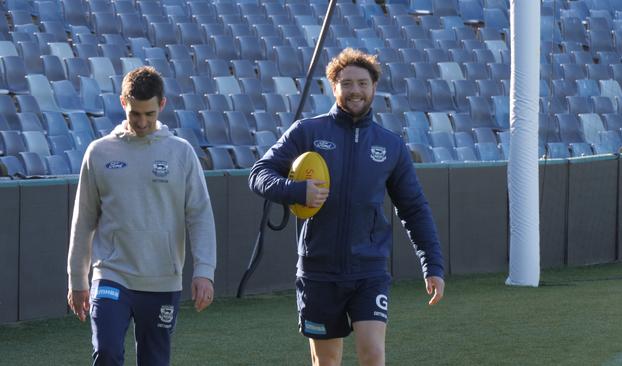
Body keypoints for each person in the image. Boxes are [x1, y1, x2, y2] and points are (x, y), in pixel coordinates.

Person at [248, 48, 445, 366]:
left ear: (374, 87)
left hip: (369, 270)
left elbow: (414, 208)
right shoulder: (307, 132)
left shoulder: (390, 145)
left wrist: (432, 265)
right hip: (318, 271)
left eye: (363, 83)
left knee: (373, 354)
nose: (356, 90)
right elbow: (259, 175)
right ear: (334, 86)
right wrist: (296, 190)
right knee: (326, 362)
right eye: (347, 83)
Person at [67, 66, 216, 366]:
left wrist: (205, 271)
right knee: (106, 351)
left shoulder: (182, 153)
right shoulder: (99, 153)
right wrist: (76, 278)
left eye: (149, 113)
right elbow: (83, 220)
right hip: (111, 273)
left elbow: (199, 215)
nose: (142, 121)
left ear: (162, 105)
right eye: (135, 113)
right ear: (123, 103)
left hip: (162, 279)